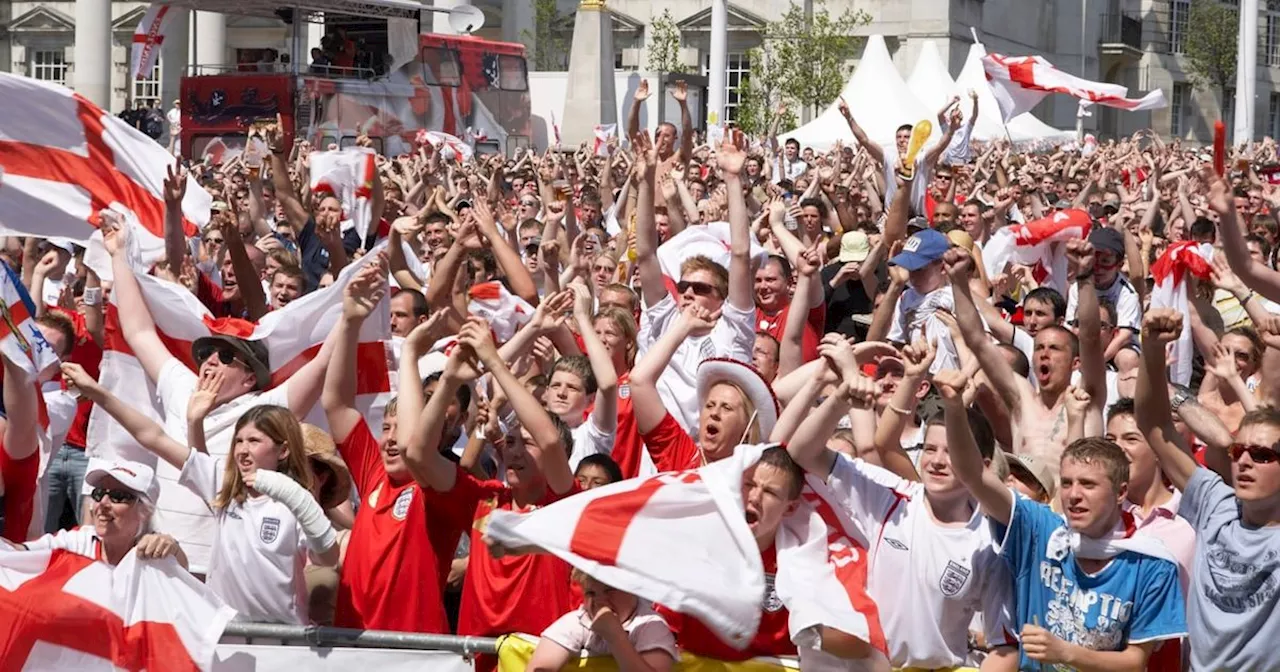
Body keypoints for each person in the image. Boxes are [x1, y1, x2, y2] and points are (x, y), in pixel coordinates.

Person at [63, 363, 339, 624]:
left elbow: (328, 558)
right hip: (225, 634)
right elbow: (153, 437)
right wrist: (97, 392)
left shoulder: (295, 501)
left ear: (283, 450)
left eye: (254, 441)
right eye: (239, 441)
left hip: (280, 642)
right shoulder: (226, 486)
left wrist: (294, 495)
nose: (242, 450)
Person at [1136, 307, 1280, 670]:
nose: (1244, 462)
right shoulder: (1215, 502)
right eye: (1238, 450)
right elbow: (1154, 426)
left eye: (1261, 455)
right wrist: (1152, 352)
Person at [6, 456, 186, 569]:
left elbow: (183, 574)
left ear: (145, 510)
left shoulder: (155, 550)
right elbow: (17, 552)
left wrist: (173, 549)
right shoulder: (79, 540)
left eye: (118, 496)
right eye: (99, 493)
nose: (103, 503)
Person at [526, 568, 678, 672]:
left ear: (632, 590)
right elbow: (539, 668)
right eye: (591, 593)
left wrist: (616, 637)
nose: (599, 601)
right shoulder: (578, 621)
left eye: (609, 590)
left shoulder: (650, 624)